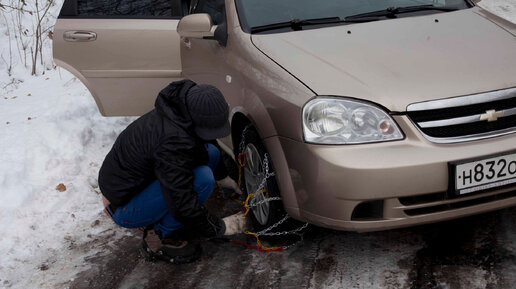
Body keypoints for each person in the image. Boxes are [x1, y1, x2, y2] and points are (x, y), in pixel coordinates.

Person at [98, 80, 246, 264]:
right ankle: (158, 236)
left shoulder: (180, 111)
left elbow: (207, 140)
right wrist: (220, 227)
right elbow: (181, 201)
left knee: (211, 152)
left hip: (133, 185)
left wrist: (224, 179)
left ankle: (165, 219)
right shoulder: (171, 143)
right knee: (202, 180)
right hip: (123, 206)